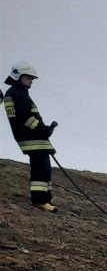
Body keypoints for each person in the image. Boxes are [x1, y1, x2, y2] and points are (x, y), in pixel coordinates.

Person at [4, 62, 59, 212]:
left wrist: (45, 130)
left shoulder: (19, 92)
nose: (31, 81)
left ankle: (46, 198)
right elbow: (25, 118)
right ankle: (40, 201)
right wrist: (43, 129)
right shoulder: (15, 93)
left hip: (35, 138)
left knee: (45, 169)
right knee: (40, 169)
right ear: (18, 76)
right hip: (31, 139)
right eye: (29, 78)